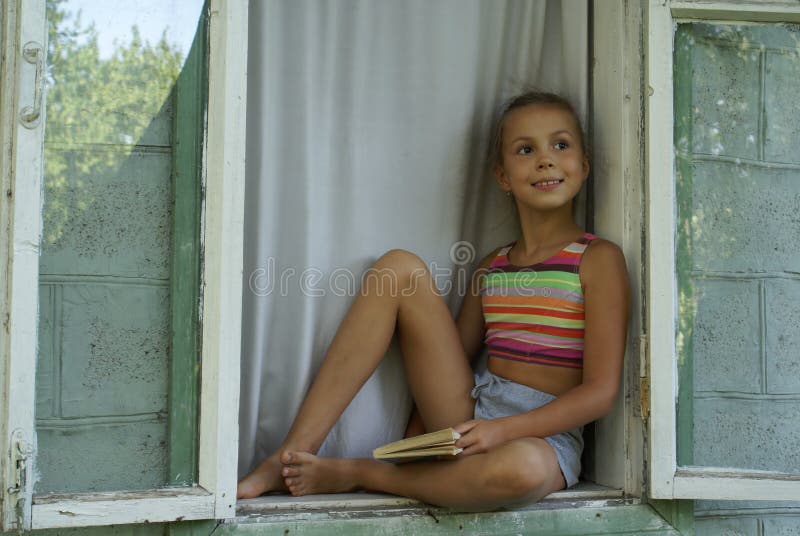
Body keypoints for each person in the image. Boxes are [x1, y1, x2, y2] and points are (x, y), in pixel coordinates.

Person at [237, 91, 630, 512]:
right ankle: (290, 455)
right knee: (397, 268)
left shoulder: (597, 259)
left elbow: (600, 392)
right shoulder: (492, 266)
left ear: (584, 165)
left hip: (543, 438)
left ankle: (360, 473)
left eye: (561, 144)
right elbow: (447, 365)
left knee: (522, 472)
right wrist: (416, 444)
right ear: (502, 176)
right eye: (525, 149)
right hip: (472, 416)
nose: (545, 159)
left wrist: (504, 432)